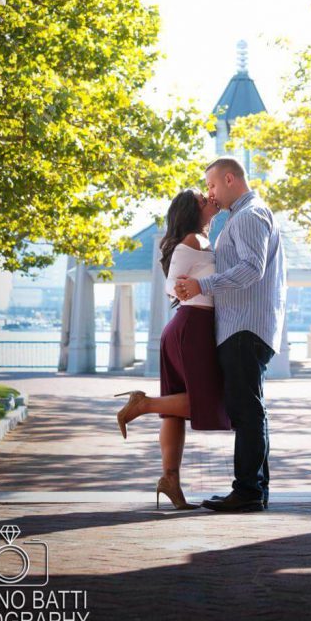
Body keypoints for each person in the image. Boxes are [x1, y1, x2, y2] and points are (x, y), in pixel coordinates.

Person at [176, 157, 287, 513]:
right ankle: (254, 490)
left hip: (244, 328)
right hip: (244, 327)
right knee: (249, 412)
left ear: (228, 179)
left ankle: (248, 491)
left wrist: (200, 285)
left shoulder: (250, 215)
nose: (209, 194)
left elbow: (251, 270)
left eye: (210, 186)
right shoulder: (244, 216)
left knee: (247, 413)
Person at [114, 188, 230, 510]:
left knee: (175, 412)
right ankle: (143, 404)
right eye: (201, 199)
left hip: (189, 327)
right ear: (192, 212)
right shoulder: (193, 240)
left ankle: (171, 481)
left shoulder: (204, 240)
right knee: (208, 402)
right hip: (191, 328)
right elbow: (170, 281)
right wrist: (174, 287)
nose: (209, 199)